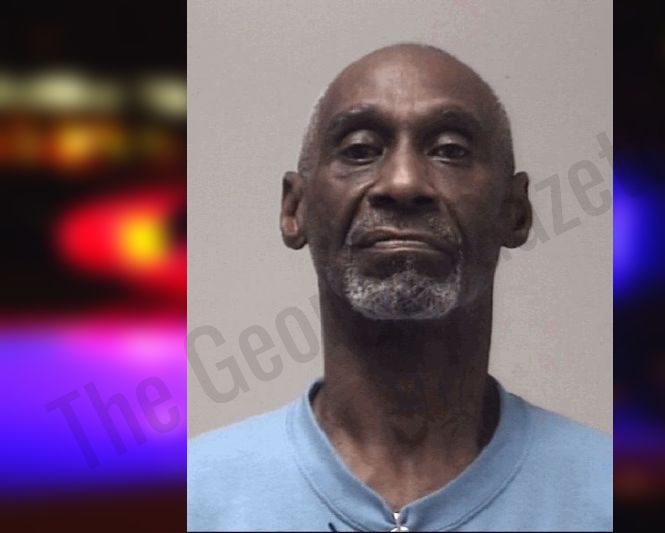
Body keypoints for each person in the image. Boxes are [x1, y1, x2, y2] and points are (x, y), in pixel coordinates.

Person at [188, 43, 612, 532]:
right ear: (295, 209)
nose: (404, 182)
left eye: (450, 151)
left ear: (514, 212)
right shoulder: (192, 501)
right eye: (360, 150)